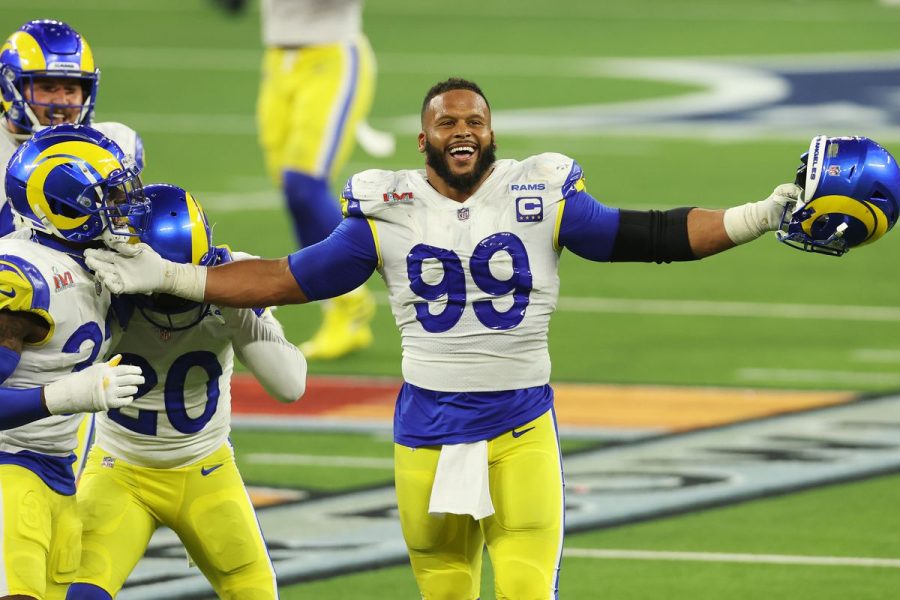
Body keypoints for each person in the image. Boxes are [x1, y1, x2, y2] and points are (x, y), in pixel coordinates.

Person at [85, 77, 825, 599]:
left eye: (474, 120)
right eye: (448, 121)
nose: (463, 130)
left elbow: (652, 234)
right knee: (445, 591)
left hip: (518, 427)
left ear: (491, 133)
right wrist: (177, 279)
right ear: (425, 138)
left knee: (530, 590)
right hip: (429, 433)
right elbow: (290, 279)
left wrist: (760, 215)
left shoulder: (542, 195)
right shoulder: (387, 207)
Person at [67, 184, 307, 600]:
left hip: (205, 469)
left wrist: (235, 304)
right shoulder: (103, 285)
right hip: (119, 470)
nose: (169, 300)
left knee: (254, 592)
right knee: (78, 592)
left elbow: (289, 385)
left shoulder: (233, 279)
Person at [0, 124, 147, 600]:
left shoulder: (96, 266)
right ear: (64, 205)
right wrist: (66, 395)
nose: (123, 207)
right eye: (109, 196)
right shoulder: (22, 276)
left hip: (58, 470)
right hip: (9, 467)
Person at [255, 0, 388, 360]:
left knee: (304, 185)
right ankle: (343, 307)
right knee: (292, 188)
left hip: (330, 55)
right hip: (278, 59)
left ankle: (350, 304)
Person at [0, 19, 144, 237]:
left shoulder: (115, 143)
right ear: (9, 89)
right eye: (48, 88)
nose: (62, 100)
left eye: (71, 89)